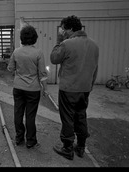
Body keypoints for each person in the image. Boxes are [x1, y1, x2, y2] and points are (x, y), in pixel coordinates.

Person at [50, 15, 99, 160]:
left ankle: (67, 148)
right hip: (85, 89)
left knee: (67, 118)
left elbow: (54, 59)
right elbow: (95, 69)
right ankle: (81, 147)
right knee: (81, 116)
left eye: (63, 29)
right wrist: (90, 86)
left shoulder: (66, 44)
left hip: (69, 88)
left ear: (70, 29)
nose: (62, 32)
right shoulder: (94, 45)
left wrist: (59, 41)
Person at [7, 25, 47, 149]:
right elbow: (42, 74)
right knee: (30, 116)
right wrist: (44, 89)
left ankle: (19, 138)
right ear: (34, 38)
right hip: (33, 89)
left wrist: (19, 71)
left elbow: (10, 68)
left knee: (18, 113)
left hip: (18, 88)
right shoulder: (38, 52)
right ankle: (30, 140)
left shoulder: (16, 52)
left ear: (22, 38)